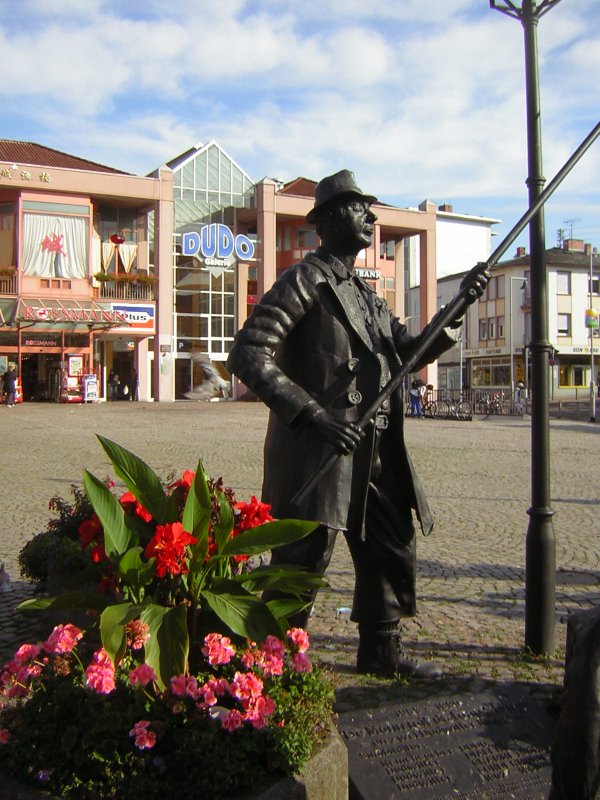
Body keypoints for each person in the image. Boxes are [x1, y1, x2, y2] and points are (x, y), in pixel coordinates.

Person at [227, 170, 490, 679]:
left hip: (376, 446)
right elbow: (248, 355)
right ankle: (273, 667)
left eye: (370, 208)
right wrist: (314, 415)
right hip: (321, 449)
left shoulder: (367, 297)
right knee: (304, 556)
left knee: (390, 544)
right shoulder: (304, 280)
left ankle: (381, 651)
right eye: (357, 208)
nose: (370, 217)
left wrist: (459, 307)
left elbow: (408, 354)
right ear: (326, 221)